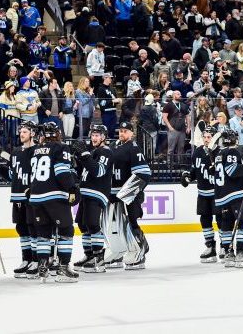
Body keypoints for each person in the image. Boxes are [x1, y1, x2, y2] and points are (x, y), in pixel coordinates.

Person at [28, 122, 79, 282]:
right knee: (66, 230)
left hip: (36, 198)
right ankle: (63, 268)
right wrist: (72, 188)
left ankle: (43, 267)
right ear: (57, 133)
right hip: (54, 196)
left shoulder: (35, 150)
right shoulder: (61, 147)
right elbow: (62, 172)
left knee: (43, 234)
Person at [110, 121, 152, 269]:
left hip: (129, 195)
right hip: (113, 194)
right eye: (120, 131)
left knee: (131, 222)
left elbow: (144, 173)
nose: (122, 133)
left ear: (131, 133)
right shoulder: (113, 146)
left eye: (125, 131)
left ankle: (140, 250)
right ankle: (118, 252)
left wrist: (128, 194)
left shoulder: (134, 148)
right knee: (115, 225)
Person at [72, 124, 113, 272]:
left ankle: (98, 258)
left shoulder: (105, 152)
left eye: (97, 135)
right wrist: (77, 159)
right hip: (86, 192)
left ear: (103, 137)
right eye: (92, 135)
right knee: (83, 225)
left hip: (97, 192)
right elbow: (84, 172)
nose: (93, 138)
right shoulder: (93, 151)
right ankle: (89, 255)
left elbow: (98, 171)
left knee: (92, 224)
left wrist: (84, 155)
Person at [0, 121, 36, 277]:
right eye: (20, 132)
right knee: (21, 229)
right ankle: (26, 259)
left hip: (32, 196)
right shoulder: (15, 152)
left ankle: (36, 260)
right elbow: (12, 175)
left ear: (32, 133)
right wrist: (0, 167)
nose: (21, 134)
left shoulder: (37, 151)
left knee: (33, 228)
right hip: (17, 195)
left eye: (25, 132)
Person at [213, 129, 243, 268]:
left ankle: (229, 255)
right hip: (235, 194)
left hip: (222, 195)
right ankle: (240, 254)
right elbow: (232, 170)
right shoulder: (232, 152)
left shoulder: (219, 154)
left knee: (227, 225)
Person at [181, 126, 220, 263]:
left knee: (222, 220)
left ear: (215, 138)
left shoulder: (220, 153)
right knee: (205, 220)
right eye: (205, 137)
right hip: (203, 193)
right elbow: (195, 170)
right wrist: (188, 177)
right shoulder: (198, 151)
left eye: (209, 137)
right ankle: (210, 247)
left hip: (217, 194)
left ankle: (225, 247)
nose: (206, 139)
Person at [162, 90, 190, 165]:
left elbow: (187, 117)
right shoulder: (168, 105)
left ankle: (180, 163)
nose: (180, 95)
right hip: (173, 129)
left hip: (182, 130)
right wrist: (170, 127)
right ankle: (169, 164)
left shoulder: (183, 105)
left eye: (180, 94)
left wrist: (188, 127)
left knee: (181, 148)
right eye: (178, 94)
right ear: (174, 95)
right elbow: (164, 117)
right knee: (171, 148)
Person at [96, 73, 121, 138]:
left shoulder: (113, 89)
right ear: (105, 78)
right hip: (106, 113)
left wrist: (118, 100)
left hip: (113, 112)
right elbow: (101, 103)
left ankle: (111, 143)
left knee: (112, 130)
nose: (111, 79)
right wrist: (112, 101)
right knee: (106, 130)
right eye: (109, 78)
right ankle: (106, 142)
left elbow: (115, 99)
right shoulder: (101, 89)